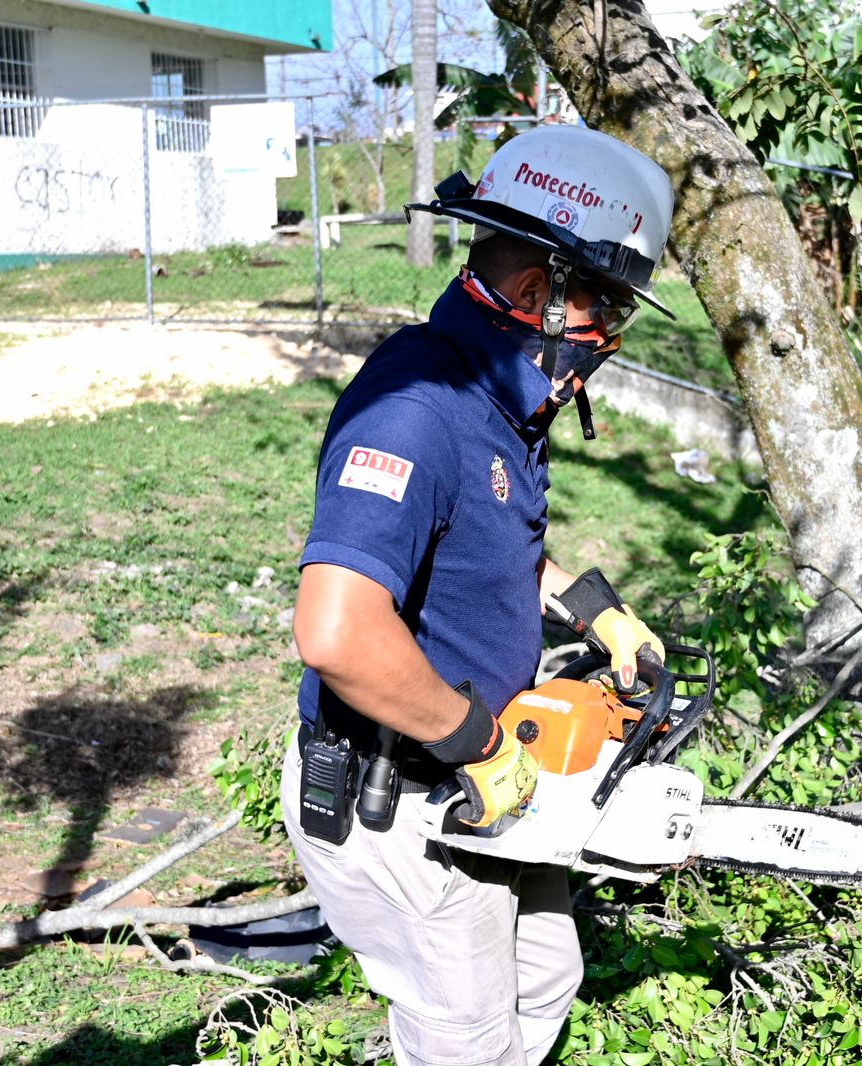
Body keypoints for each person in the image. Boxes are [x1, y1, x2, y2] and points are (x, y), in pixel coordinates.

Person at [282, 124, 676, 1065]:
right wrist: (479, 743)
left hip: (474, 783)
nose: (610, 336)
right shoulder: (416, 411)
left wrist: (590, 607)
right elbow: (337, 631)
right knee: (467, 1040)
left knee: (546, 976)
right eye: (607, 305)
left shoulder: (495, 399)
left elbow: (479, 539)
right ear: (540, 292)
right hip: (403, 792)